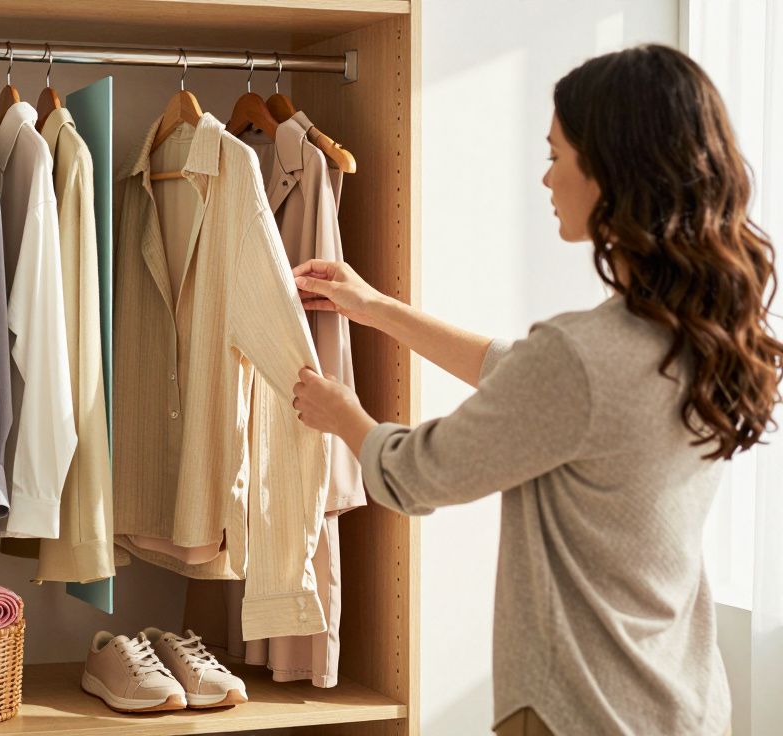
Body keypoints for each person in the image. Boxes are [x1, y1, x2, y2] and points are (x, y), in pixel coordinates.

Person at [290, 44, 779, 736]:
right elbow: (527, 382)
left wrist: (346, 418)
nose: (546, 179)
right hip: (684, 705)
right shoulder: (707, 338)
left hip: (577, 710)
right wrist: (380, 310)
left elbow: (419, 474)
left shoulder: (581, 358)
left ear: (610, 172)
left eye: (556, 155)